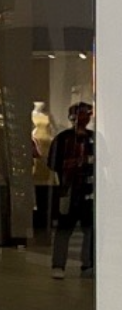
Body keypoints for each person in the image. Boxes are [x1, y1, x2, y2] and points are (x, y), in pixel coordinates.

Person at [48, 102, 95, 279]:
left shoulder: (93, 138)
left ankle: (88, 264)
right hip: (69, 190)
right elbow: (53, 163)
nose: (85, 117)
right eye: (81, 114)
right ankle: (59, 264)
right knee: (64, 229)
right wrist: (73, 165)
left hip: (89, 191)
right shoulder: (63, 138)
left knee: (89, 229)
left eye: (87, 114)